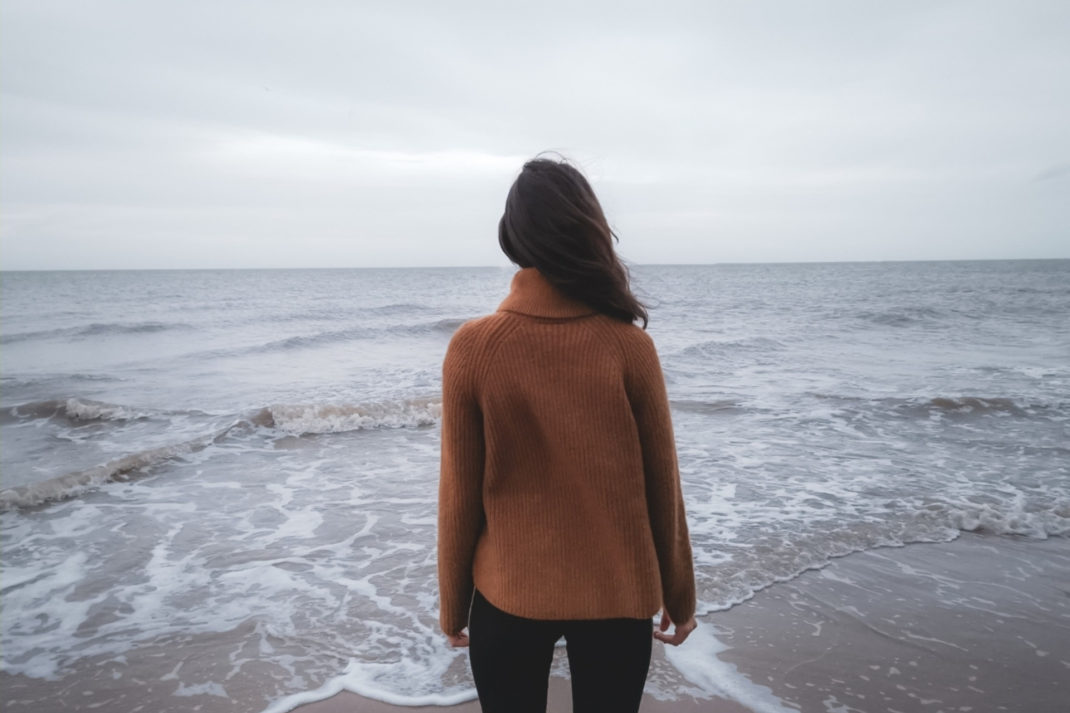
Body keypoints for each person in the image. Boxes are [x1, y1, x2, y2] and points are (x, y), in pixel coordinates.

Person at [437, 156, 697, 713]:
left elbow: (459, 494)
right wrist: (679, 594)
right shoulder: (629, 346)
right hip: (618, 597)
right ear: (590, 232)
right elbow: (662, 485)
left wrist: (453, 606)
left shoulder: (473, 347)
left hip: (507, 597)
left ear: (512, 236)